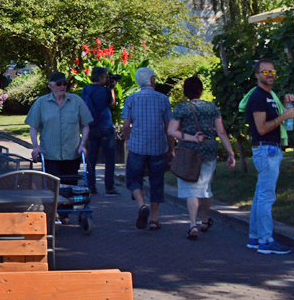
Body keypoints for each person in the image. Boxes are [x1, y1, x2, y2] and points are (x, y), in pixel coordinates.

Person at [167, 76, 237, 240]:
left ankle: (193, 225)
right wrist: (231, 153)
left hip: (188, 153)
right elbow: (221, 132)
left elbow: (172, 131)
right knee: (205, 188)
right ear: (201, 90)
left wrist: (191, 137)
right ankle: (205, 221)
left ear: (185, 91)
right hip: (209, 151)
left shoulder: (181, 108)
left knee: (191, 189)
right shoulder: (212, 107)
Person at [244, 59, 294, 255]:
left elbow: (275, 118)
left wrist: (286, 105)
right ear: (257, 75)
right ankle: (266, 240)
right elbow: (262, 128)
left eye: (273, 72)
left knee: (260, 196)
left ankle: (255, 238)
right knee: (267, 197)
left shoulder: (269, 96)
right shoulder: (258, 97)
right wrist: (284, 116)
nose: (270, 75)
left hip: (269, 150)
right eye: (265, 72)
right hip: (266, 150)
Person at [122, 66, 173, 231]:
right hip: (158, 147)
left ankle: (142, 205)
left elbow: (126, 125)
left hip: (137, 146)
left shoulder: (131, 99)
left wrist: (128, 140)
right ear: (152, 80)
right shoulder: (163, 99)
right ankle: (154, 219)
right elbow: (168, 127)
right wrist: (171, 148)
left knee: (133, 179)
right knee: (156, 182)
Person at [26, 71, 93, 186]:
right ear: (50, 85)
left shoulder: (76, 101)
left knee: (71, 189)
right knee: (52, 189)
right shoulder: (41, 103)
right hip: (50, 155)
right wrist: (35, 147)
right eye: (59, 84)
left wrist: (83, 144)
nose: (62, 87)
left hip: (72, 154)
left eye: (64, 84)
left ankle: (68, 205)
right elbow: (33, 127)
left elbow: (85, 125)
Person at [80, 67, 119, 196]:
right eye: (105, 76)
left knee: (91, 159)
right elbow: (112, 104)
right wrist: (112, 88)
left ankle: (91, 185)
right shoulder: (105, 91)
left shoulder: (86, 90)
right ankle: (109, 187)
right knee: (109, 159)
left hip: (91, 126)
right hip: (105, 127)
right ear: (100, 77)